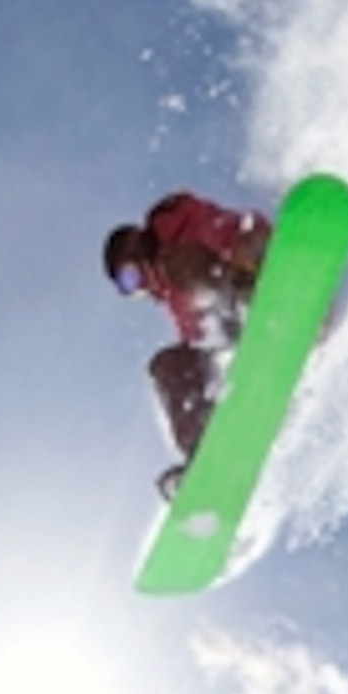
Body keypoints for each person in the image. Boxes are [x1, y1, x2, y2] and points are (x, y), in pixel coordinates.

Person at [104, 192, 273, 493]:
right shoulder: (176, 304)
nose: (139, 287)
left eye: (130, 276)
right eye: (129, 288)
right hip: (241, 330)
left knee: (178, 265)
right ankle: (205, 454)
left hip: (258, 265)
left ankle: (253, 297)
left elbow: (216, 227)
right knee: (169, 364)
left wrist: (244, 259)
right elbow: (199, 350)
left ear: (136, 247)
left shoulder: (172, 223)